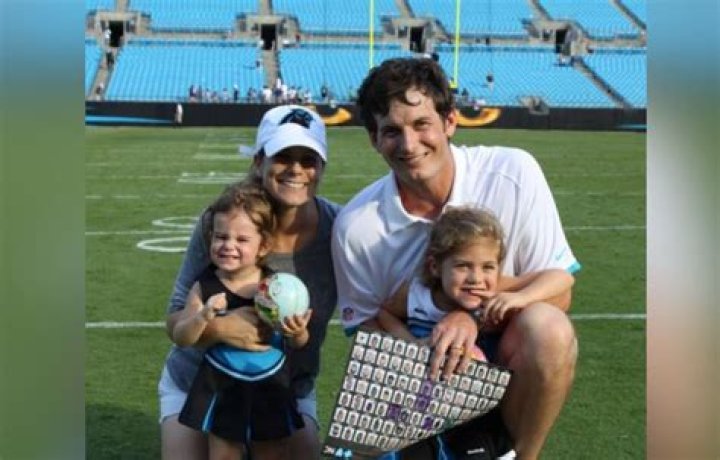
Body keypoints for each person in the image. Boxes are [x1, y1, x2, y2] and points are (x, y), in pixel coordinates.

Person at [331, 57, 580, 459]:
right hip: (417, 361)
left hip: (504, 350)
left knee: (548, 329)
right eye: (391, 131)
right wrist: (420, 351)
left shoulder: (513, 173)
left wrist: (469, 317)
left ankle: (523, 455)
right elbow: (365, 326)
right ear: (373, 139)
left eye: (421, 124)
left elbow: (560, 295)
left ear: (450, 121)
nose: (409, 145)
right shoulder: (356, 226)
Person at [160, 105, 341, 460]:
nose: (296, 169)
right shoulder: (223, 224)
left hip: (284, 386)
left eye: (308, 160)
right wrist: (222, 328)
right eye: (283, 157)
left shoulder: (340, 228)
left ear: (321, 169)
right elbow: (175, 316)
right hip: (202, 382)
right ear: (259, 161)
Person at [171, 182, 312, 459]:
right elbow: (181, 337)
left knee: (273, 451)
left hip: (270, 382)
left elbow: (298, 342)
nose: (228, 246)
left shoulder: (277, 287)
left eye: (242, 240)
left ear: (263, 246)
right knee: (224, 452)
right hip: (222, 383)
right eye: (221, 237)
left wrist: (297, 333)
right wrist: (203, 316)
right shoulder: (204, 286)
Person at [378, 206, 573, 366]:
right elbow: (384, 313)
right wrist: (411, 344)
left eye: (488, 267)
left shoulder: (497, 290)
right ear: (435, 267)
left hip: (484, 388)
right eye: (463, 266)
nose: (476, 278)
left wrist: (521, 297)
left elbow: (563, 277)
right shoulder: (418, 295)